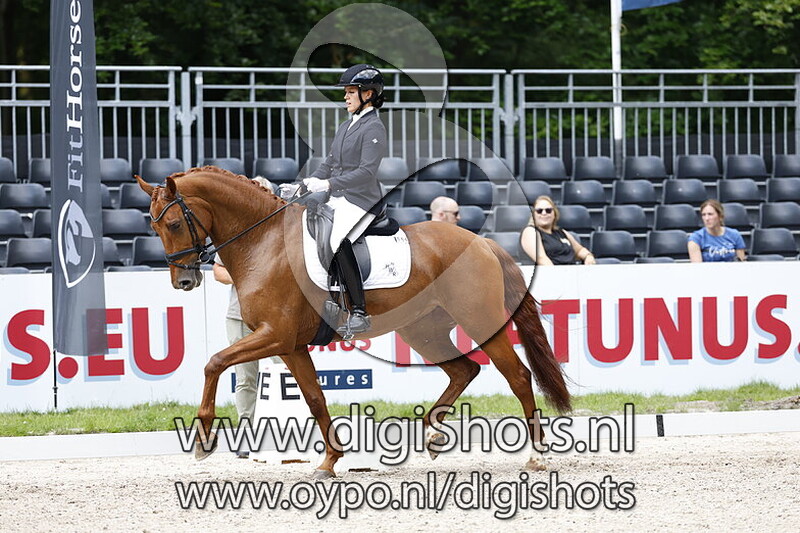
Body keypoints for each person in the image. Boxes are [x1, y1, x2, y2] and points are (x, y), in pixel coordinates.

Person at [301, 64, 387, 336]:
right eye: (346, 92)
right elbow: (329, 163)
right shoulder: (347, 125)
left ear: (368, 94)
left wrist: (328, 184)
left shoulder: (374, 128)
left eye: (351, 92)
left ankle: (359, 310)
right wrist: (305, 183)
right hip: (339, 196)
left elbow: (366, 172)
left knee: (338, 238)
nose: (345, 96)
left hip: (362, 200)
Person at [213, 177, 274, 458]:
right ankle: (246, 435)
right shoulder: (234, 233)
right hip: (240, 315)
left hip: (277, 317)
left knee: (287, 374)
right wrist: (246, 276)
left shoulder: (281, 232)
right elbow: (218, 272)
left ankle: (296, 428)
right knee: (246, 378)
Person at [519, 195, 596, 265]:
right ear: (534, 215)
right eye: (539, 211)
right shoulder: (530, 231)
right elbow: (542, 260)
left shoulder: (562, 232)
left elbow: (580, 250)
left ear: (554, 214)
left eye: (548, 210)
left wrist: (588, 256)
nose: (544, 213)